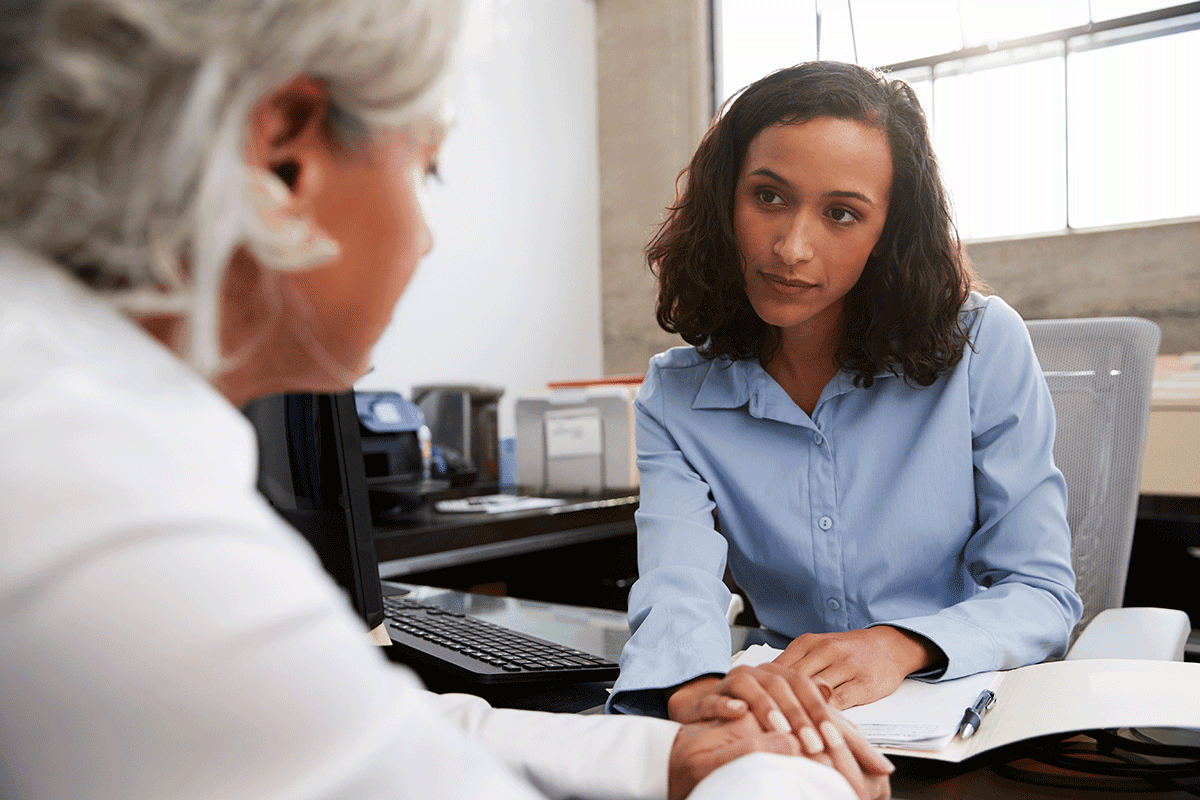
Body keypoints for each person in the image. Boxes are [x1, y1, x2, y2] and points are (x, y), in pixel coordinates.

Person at [0, 2, 895, 799]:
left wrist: (667, 760)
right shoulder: (98, 505)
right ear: (283, 154)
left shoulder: (67, 405)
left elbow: (359, 718)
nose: (426, 238)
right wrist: (783, 777)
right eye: (426, 167)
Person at [606, 61, 1083, 729]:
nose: (792, 248)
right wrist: (690, 691)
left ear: (889, 231)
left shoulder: (982, 345)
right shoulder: (678, 395)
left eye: (841, 213)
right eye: (768, 196)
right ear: (726, 199)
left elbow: (1040, 594)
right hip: (795, 723)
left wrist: (896, 647)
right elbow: (677, 586)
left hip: (965, 716)